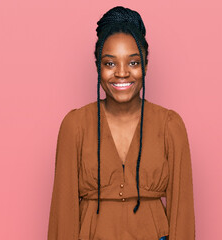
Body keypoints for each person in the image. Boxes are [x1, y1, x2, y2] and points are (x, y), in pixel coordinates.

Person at [47, 6, 195, 240]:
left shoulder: (170, 126)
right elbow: (62, 214)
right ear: (98, 66)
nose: (122, 73)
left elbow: (182, 213)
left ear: (146, 64)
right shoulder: (74, 126)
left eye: (133, 62)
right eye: (110, 63)